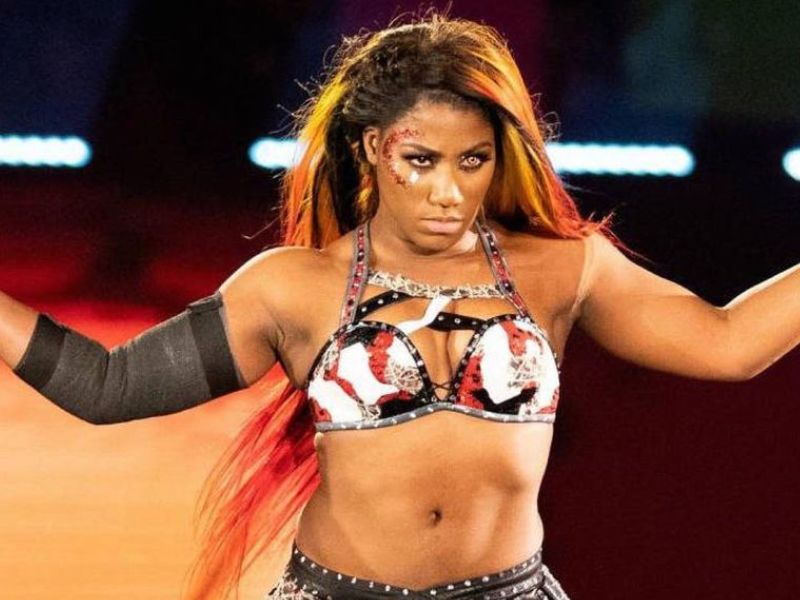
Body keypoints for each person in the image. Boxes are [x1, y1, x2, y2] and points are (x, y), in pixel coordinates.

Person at [2, 14, 799, 600]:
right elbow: (107, 387)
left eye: (472, 161)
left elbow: (728, 343)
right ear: (370, 148)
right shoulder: (291, 286)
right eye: (421, 160)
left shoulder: (565, 268)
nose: (449, 190)